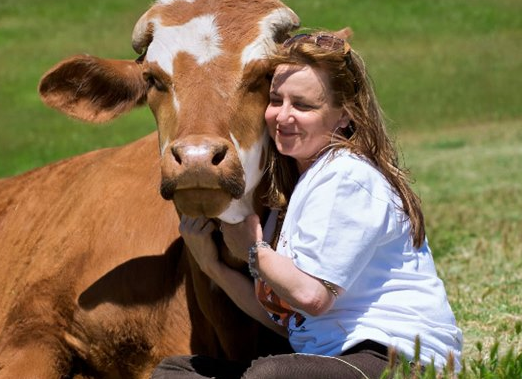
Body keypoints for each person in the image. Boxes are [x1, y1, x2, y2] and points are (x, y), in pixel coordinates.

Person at [152, 31, 463, 379]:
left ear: (345, 116)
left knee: (269, 375)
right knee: (175, 371)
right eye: (276, 100)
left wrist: (254, 250)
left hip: (397, 359)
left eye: (303, 105)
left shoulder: (346, 175)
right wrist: (212, 266)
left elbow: (312, 297)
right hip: (332, 358)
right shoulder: (298, 185)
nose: (283, 116)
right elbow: (286, 319)